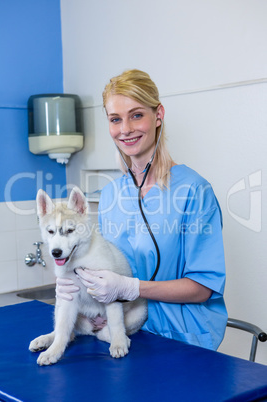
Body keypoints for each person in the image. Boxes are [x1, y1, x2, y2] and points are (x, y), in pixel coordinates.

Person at [56, 69, 227, 350]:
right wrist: (75, 283)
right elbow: (104, 266)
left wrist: (132, 288)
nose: (125, 129)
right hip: (123, 333)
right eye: (115, 119)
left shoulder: (194, 191)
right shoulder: (111, 195)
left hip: (182, 339)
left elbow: (203, 287)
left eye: (136, 115)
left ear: (158, 115)